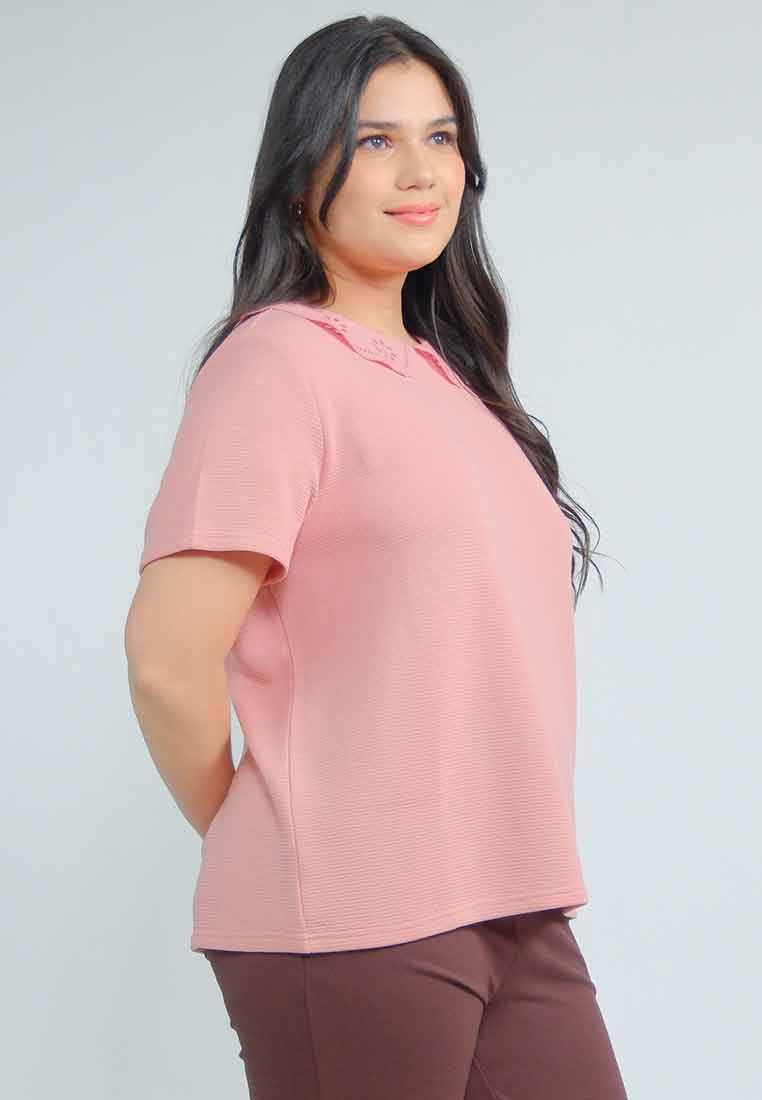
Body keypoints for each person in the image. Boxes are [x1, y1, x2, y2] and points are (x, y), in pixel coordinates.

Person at [124, 14, 627, 1100]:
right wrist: (284, 836)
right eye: (374, 140)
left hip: (515, 899)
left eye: (441, 138)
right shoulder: (275, 366)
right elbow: (167, 660)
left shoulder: (453, 381)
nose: (420, 171)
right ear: (302, 168)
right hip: (356, 917)